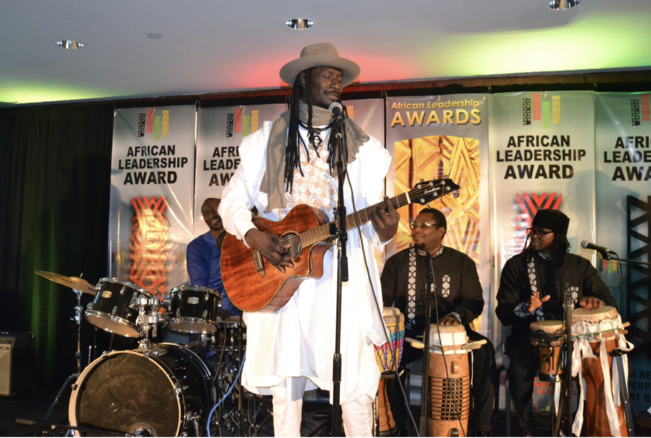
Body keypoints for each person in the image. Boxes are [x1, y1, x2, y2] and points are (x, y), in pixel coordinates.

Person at [218, 42, 400, 437]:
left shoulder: (365, 151)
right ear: (303, 80)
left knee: (352, 384)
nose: (337, 83)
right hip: (279, 272)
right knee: (286, 389)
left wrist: (384, 234)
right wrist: (253, 235)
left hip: (340, 280)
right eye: (327, 75)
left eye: (341, 78)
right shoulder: (264, 143)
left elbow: (372, 220)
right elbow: (230, 202)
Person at [496, 209, 617, 436]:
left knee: (592, 369)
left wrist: (594, 303)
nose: (535, 236)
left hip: (572, 341)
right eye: (534, 231)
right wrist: (525, 308)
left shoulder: (578, 267)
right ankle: (526, 429)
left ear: (558, 236)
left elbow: (608, 301)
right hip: (528, 339)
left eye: (543, 233)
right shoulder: (517, 266)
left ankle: (580, 426)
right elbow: (503, 310)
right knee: (519, 374)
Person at [381, 208, 497, 436]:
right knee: (389, 358)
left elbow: (474, 301)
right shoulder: (398, 262)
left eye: (424, 226)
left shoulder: (461, 262)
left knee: (485, 353)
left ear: (441, 231)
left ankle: (482, 428)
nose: (416, 230)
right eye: (414, 225)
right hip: (410, 334)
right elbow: (382, 301)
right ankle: (399, 427)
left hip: (452, 336)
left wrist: (456, 317)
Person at [186, 197, 240, 317]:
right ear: (204, 218)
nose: (212, 215)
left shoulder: (241, 239)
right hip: (214, 313)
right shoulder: (196, 246)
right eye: (206, 213)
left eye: (216, 209)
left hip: (243, 309)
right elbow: (199, 284)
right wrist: (215, 310)